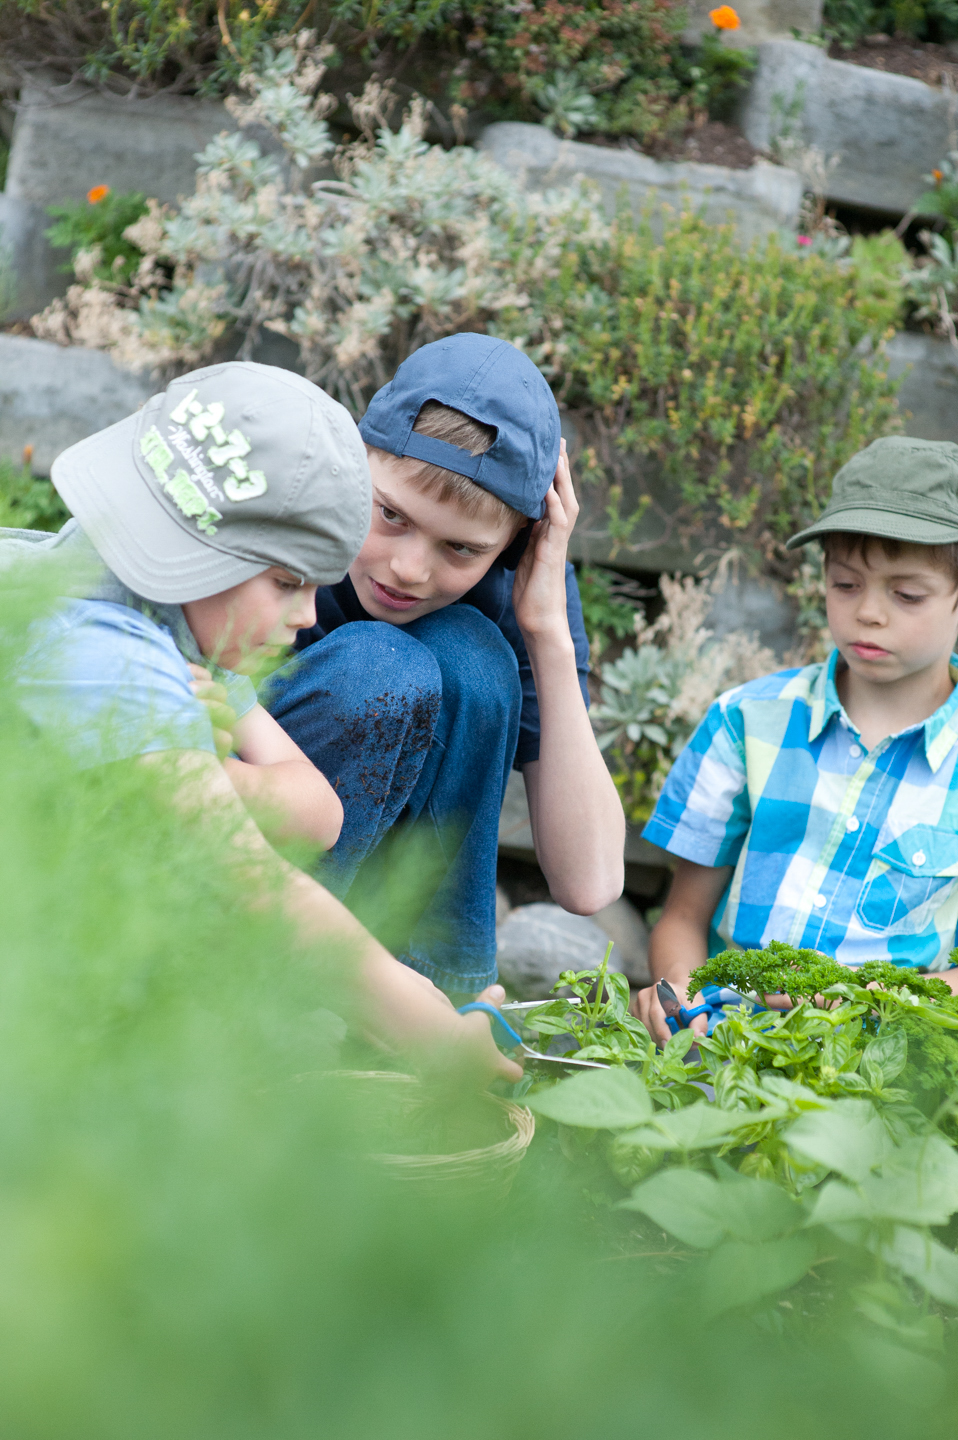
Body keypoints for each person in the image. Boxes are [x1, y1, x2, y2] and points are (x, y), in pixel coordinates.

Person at [7, 359, 519, 1081]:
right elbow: (256, 886)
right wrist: (423, 1030)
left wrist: (189, 773)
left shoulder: (172, 622)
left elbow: (321, 814)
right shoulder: (96, 645)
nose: (308, 614)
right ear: (197, 549)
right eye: (286, 581)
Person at [266, 333, 626, 998]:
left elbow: (591, 881)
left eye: (461, 548)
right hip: (246, 880)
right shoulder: (289, 507)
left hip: (386, 948)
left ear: (518, 542)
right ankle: (262, 994)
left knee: (468, 652)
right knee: (383, 665)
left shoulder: (518, 592)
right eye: (390, 515)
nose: (408, 568)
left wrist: (546, 630)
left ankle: (433, 1005)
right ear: (357, 460)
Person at [634, 436, 958, 1046]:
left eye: (907, 594)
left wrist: (865, 1000)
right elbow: (681, 919)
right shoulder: (747, 720)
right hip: (732, 1039)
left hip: (889, 1053)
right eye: (845, 584)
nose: (869, 613)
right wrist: (679, 996)